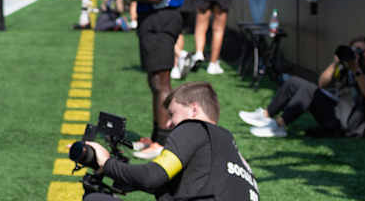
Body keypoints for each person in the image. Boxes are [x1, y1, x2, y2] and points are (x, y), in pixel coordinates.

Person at [96, 0, 185, 158]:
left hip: (161, 18)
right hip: (152, 19)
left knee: (161, 81)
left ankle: (164, 141)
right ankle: (156, 136)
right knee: (154, 81)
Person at [80, 83, 259, 201]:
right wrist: (124, 178)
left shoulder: (194, 128)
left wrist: (107, 163)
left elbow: (153, 176)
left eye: (172, 114)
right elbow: (174, 186)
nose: (168, 124)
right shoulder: (235, 156)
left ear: (194, 110)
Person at [239, 35, 365, 138]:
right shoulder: (344, 68)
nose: (360, 54)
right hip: (334, 112)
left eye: (364, 51)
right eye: (356, 50)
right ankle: (266, 115)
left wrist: (356, 69)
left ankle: (279, 125)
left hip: (346, 124)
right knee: (294, 82)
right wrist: (336, 63)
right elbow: (322, 83)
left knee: (309, 89)